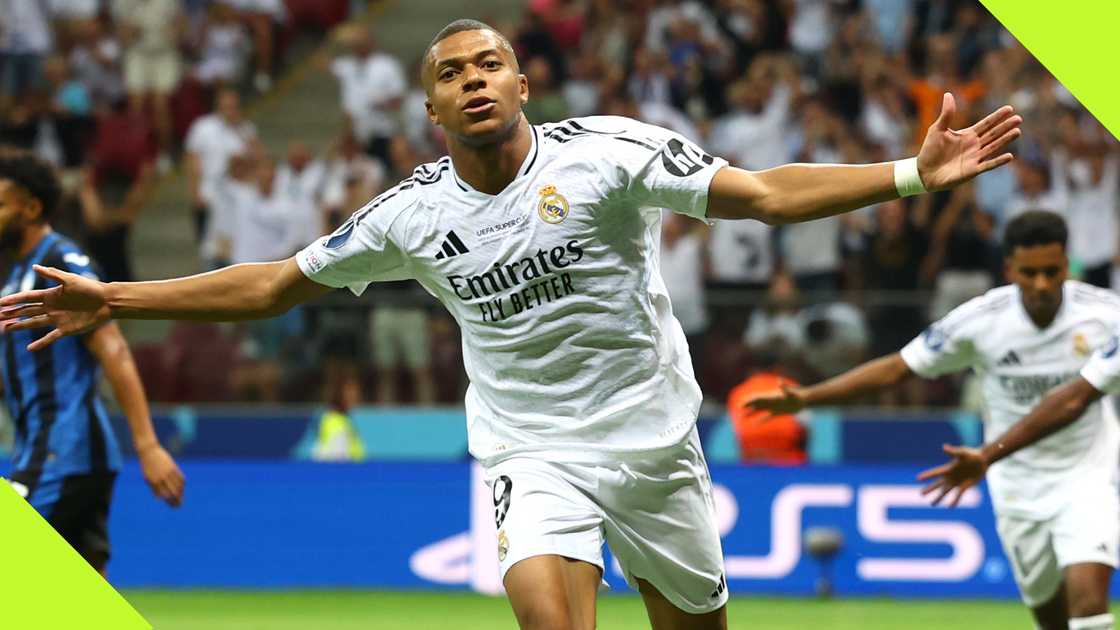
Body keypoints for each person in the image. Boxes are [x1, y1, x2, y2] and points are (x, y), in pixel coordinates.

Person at [0, 19, 1020, 629]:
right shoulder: (408, 214)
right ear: (431, 113)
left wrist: (905, 174)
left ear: (522, 83)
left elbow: (758, 193)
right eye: (449, 73)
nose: (472, 79)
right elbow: (274, 284)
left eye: (488, 64)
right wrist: (117, 297)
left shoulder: (609, 154)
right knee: (543, 611)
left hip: (653, 438)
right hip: (530, 448)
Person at [744, 211, 1118, 630]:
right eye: (1029, 273)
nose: (1042, 285)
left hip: (1088, 474)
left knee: (1088, 604)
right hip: (1017, 484)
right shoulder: (980, 321)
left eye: (1052, 271)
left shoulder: (1106, 316)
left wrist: (987, 454)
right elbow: (899, 368)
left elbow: (1074, 401)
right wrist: (809, 398)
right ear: (1009, 268)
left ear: (1067, 264)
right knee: (1049, 617)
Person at [0, 148, 183, 575]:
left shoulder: (61, 264)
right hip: (52, 449)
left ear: (31, 207)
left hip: (64, 449)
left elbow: (113, 347)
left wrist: (148, 444)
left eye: (1, 203)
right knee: (78, 594)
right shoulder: (15, 278)